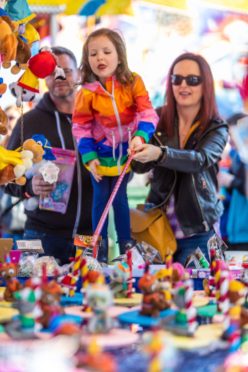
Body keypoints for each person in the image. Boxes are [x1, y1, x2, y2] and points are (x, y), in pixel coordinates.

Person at [132, 52, 228, 265]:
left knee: (200, 295)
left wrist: (160, 154)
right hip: (156, 228)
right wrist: (133, 143)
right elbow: (137, 167)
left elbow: (200, 160)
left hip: (200, 232)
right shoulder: (155, 118)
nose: (183, 85)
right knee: (153, 295)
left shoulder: (216, 127)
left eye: (192, 80)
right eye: (177, 79)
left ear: (206, 85)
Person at [72, 28, 158, 263]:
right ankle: (96, 252)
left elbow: (148, 112)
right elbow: (81, 126)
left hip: (126, 151)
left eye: (106, 52)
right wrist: (89, 157)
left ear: (119, 55)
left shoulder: (133, 82)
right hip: (100, 153)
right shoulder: (86, 92)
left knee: (119, 198)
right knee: (100, 197)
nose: (100, 58)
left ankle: (126, 249)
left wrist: (141, 136)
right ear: (87, 60)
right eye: (93, 54)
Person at [4, 46, 93, 265]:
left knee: (92, 296)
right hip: (41, 235)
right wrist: (29, 187)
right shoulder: (29, 121)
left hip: (90, 235)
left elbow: (121, 171)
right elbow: (5, 178)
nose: (60, 77)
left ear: (79, 74)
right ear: (44, 78)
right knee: (34, 295)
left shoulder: (97, 119)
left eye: (67, 71)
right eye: (53, 72)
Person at [218, 113, 248, 250]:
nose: (230, 141)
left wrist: (232, 182)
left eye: (232, 134)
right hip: (233, 234)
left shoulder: (243, 157)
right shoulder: (236, 156)